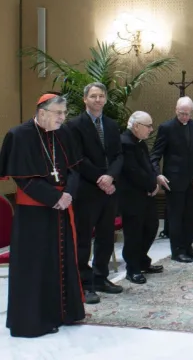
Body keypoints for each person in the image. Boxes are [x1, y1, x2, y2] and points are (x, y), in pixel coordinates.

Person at [0, 94, 84, 337]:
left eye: (64, 113)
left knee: (61, 260)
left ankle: (63, 313)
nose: (63, 118)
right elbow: (23, 178)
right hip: (34, 215)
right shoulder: (19, 135)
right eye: (59, 113)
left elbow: (75, 170)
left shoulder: (64, 133)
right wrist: (54, 197)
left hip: (61, 209)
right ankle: (34, 321)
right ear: (42, 112)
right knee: (35, 266)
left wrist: (67, 193)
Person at [65, 82, 123, 304]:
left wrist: (111, 177)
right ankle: (84, 283)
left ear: (106, 99)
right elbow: (78, 159)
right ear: (85, 99)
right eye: (94, 96)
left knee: (106, 237)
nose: (98, 100)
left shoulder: (111, 124)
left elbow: (118, 155)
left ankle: (101, 278)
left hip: (109, 190)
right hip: (87, 190)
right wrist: (101, 179)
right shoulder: (74, 125)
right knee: (83, 239)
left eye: (101, 96)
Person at [150, 96, 193, 263]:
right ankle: (177, 250)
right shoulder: (166, 127)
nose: (184, 117)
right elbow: (155, 155)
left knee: (190, 216)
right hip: (173, 180)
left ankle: (188, 246)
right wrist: (157, 174)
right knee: (176, 217)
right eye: (181, 113)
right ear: (176, 110)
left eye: (188, 114)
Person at [118, 111, 162, 285]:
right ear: (136, 126)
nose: (151, 129)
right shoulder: (125, 143)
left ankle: (143, 260)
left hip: (146, 194)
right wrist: (151, 186)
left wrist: (154, 181)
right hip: (132, 196)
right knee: (134, 233)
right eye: (148, 126)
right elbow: (133, 171)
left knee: (151, 227)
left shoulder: (140, 142)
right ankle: (132, 268)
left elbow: (148, 165)